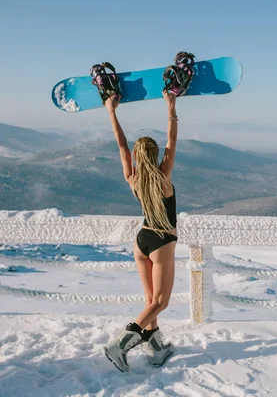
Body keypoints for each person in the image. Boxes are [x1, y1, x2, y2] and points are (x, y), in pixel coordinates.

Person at [102, 91, 179, 372]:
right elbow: (172, 143)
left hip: (142, 240)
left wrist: (112, 111)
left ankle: (156, 347)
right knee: (160, 302)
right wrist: (171, 107)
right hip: (161, 241)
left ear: (136, 156)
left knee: (150, 301)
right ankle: (119, 345)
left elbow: (121, 146)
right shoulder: (163, 179)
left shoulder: (133, 179)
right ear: (155, 155)